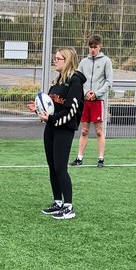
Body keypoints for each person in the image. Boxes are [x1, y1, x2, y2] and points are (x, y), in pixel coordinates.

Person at [28, 47, 86, 220]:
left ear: (67, 60)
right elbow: (51, 107)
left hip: (64, 130)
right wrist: (38, 110)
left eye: (58, 58)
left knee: (60, 167)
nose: (55, 61)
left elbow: (71, 111)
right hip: (51, 129)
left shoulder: (75, 81)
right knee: (52, 167)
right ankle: (58, 202)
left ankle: (69, 207)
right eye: (55, 58)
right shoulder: (57, 81)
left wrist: (51, 119)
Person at [72, 35, 113, 168]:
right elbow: (77, 80)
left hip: (98, 101)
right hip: (85, 101)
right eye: (91, 47)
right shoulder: (84, 62)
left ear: (100, 46)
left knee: (99, 131)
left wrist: (96, 93)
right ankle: (79, 157)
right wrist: (85, 93)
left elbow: (109, 82)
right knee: (84, 131)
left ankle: (101, 158)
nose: (93, 50)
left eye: (95, 47)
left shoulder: (106, 61)